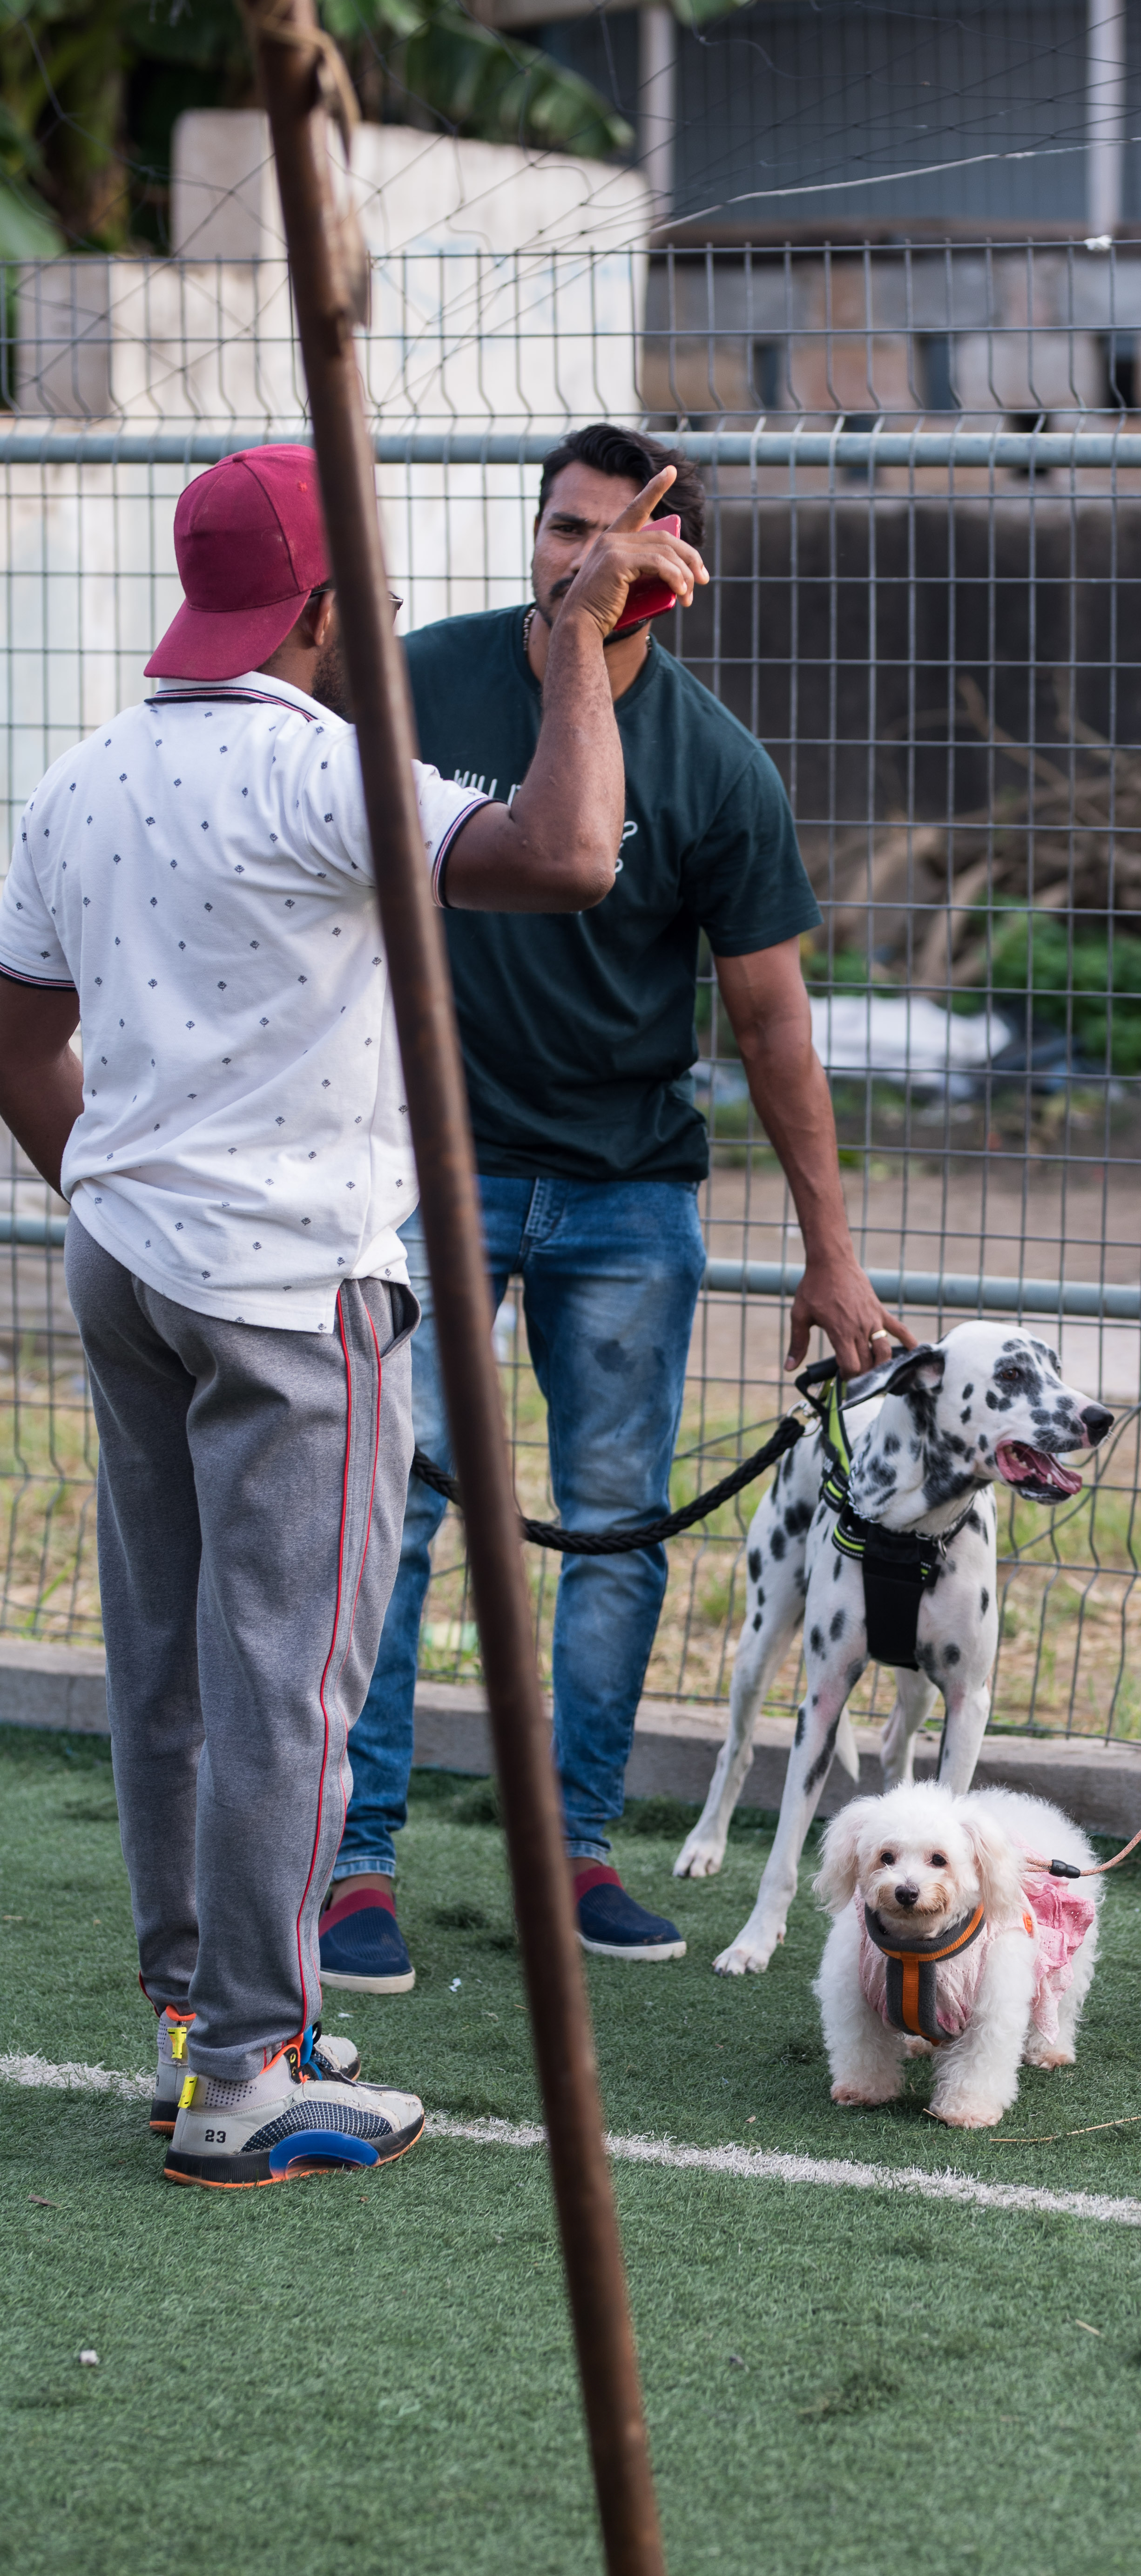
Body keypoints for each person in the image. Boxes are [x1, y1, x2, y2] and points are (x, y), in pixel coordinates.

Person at [0, 441, 689, 2185]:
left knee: (169, 1667)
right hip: (292, 1289)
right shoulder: (326, 768)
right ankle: (250, 2071)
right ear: (321, 609)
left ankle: (200, 2027)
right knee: (289, 1683)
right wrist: (578, 639)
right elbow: (573, 852)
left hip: (128, 1265)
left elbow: (15, 1040)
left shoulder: (78, 777)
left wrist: (120, 1198)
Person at [319, 422, 903, 1993]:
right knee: (390, 1511)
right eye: (560, 528)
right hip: (422, 1175)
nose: (577, 559)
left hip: (628, 1191)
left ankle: (574, 1851)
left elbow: (773, 1022)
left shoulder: (716, 766)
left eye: (613, 537)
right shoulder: (416, 685)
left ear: (675, 573)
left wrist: (833, 1257)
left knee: (614, 1530)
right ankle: (353, 1862)